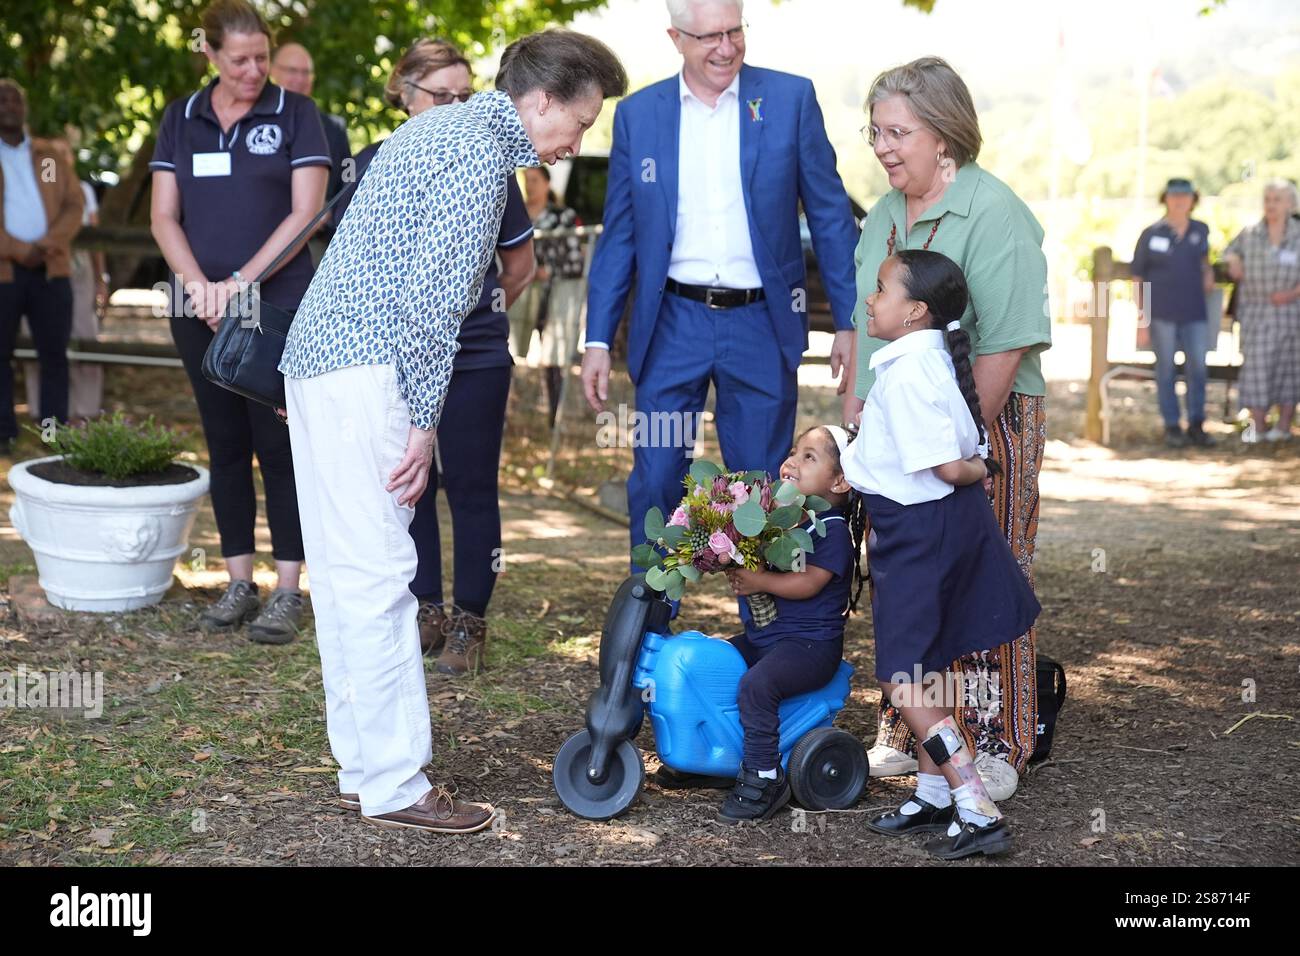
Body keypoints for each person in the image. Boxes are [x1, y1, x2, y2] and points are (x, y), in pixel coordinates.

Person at [278, 30, 627, 834]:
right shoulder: (476, 154)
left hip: (322, 363)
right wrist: (426, 420)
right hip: (370, 372)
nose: (579, 141)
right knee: (380, 576)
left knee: (341, 577)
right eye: (579, 120)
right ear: (541, 99)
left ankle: (364, 768)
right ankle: (397, 786)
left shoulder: (436, 129)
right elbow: (434, 304)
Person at [581, 0, 859, 588]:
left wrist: (849, 321)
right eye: (709, 36)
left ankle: (764, 638)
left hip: (760, 322)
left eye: (735, 31)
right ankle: (650, 626)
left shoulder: (789, 100)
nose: (726, 48)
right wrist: (598, 338)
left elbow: (832, 215)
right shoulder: (639, 115)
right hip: (671, 323)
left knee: (760, 486)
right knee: (657, 473)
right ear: (675, 38)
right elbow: (620, 234)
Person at [841, 57, 1051, 800]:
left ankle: (998, 741)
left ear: (946, 138)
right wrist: (860, 420)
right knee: (910, 583)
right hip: (897, 432)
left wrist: (958, 446)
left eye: (900, 132)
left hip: (976, 430)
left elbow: (1005, 343)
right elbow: (865, 323)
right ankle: (914, 734)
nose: (884, 146)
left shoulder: (995, 213)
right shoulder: (883, 213)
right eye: (877, 133)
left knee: (981, 579)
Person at [337, 38, 537, 675]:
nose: (454, 106)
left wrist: (464, 310)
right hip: (391, 355)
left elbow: (521, 263)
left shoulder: (490, 161)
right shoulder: (376, 161)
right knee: (408, 485)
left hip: (474, 352)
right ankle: (422, 607)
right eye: (439, 96)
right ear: (403, 93)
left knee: (472, 484)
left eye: (462, 95)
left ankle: (469, 622)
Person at [844, 250, 1039, 859]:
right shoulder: (923, 362)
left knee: (903, 678)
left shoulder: (908, 377)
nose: (871, 301)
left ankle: (975, 808)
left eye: (880, 290)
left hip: (919, 534)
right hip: (931, 528)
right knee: (930, 665)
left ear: (915, 311)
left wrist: (987, 466)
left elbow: (950, 467)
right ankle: (933, 790)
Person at [148, 0, 331, 641]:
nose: (255, 70)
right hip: (198, 309)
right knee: (224, 446)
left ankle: (288, 589)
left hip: (275, 307)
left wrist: (238, 284)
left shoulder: (296, 115)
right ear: (211, 54)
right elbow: (164, 217)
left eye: (261, 57)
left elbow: (305, 214)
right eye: (240, 59)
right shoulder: (181, 118)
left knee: (277, 446)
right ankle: (236, 581)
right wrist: (198, 286)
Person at [717, 425, 858, 824]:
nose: (793, 461)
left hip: (810, 647)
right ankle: (713, 756)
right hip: (769, 638)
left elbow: (810, 581)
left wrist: (760, 581)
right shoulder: (784, 523)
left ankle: (765, 775)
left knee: (758, 684)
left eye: (809, 457)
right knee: (717, 662)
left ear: (840, 480)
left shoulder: (830, 529)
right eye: (794, 451)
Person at [0, 78, 84, 456]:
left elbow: (73, 205)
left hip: (51, 270)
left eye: (16, 99)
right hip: (5, 271)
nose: (10, 106)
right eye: (2, 100)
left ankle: (53, 434)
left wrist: (45, 245)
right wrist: (17, 249)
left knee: (54, 355)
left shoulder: (48, 156)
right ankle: (4, 434)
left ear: (25, 107)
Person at [24, 132, 106, 423]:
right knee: (38, 337)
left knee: (83, 333)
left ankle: (84, 410)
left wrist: (100, 278)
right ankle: (43, 411)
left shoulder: (83, 190)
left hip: (78, 268)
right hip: (39, 269)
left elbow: (96, 241)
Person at [1131, 178, 1215, 448]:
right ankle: (1171, 426)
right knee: (1165, 370)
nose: (1180, 200)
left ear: (1193, 199)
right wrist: (1142, 320)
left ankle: (1197, 425)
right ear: (1165, 198)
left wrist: (1209, 270)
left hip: (1195, 313)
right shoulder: (1150, 233)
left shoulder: (1201, 230)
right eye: (1174, 195)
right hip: (1161, 314)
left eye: (1185, 195)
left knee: (1198, 369)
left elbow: (1204, 259)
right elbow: (1138, 278)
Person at [1223, 179, 1300, 443]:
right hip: (1256, 312)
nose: (1271, 205)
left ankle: (1284, 426)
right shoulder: (1249, 233)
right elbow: (1229, 251)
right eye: (1267, 199)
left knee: (1289, 368)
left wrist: (1292, 293)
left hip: (1290, 312)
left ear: (1291, 204)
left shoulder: (1299, 234)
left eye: (1277, 200)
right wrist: (1233, 260)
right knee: (1256, 368)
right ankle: (1258, 427)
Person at [270, 42, 352, 231]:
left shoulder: (333, 128)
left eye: (306, 72)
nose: (300, 78)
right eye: (292, 70)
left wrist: (330, 213)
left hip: (315, 239)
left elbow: (349, 179)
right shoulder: (252, 121)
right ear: (272, 71)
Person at [529, 165, 586, 426]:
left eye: (534, 180)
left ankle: (555, 415)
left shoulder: (563, 217)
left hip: (553, 296)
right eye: (525, 180)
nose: (529, 185)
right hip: (520, 296)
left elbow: (576, 261)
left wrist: (547, 271)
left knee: (553, 357)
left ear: (547, 183)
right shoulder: (516, 214)